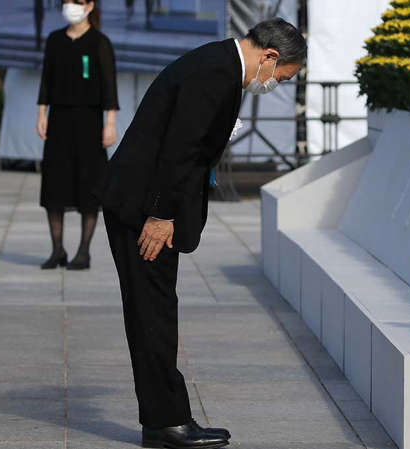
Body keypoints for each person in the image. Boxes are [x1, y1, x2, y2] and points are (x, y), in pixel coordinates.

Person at [96, 18, 305, 448]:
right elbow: (181, 149)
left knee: (156, 312)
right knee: (152, 315)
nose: (273, 85)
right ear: (269, 55)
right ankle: (165, 422)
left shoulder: (216, 63)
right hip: (145, 209)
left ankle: (167, 417)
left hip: (144, 203)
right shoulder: (217, 72)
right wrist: (162, 215)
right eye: (280, 77)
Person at [37, 0, 119, 270]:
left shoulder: (99, 42)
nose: (71, 6)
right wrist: (42, 114)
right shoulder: (54, 40)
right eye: (67, 1)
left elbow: (109, 86)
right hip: (59, 120)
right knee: (54, 184)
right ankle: (57, 249)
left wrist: (110, 123)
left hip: (89, 123)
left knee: (89, 185)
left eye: (78, 1)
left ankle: (83, 252)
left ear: (90, 6)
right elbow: (46, 81)